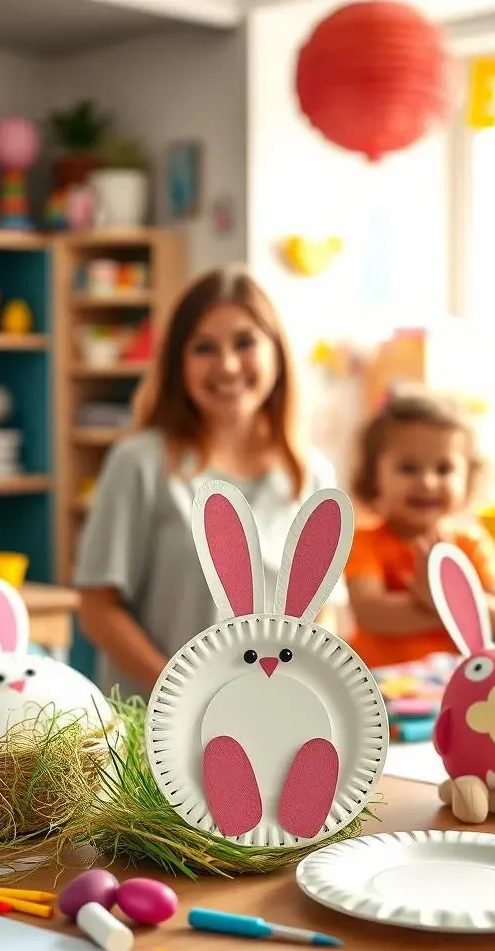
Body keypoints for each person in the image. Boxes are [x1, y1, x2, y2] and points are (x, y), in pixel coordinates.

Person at [74, 265, 340, 696]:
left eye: (245, 342)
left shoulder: (311, 475)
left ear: (277, 352)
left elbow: (325, 611)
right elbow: (97, 610)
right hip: (155, 734)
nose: (228, 365)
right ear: (178, 362)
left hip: (268, 722)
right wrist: (186, 694)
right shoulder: (139, 464)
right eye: (204, 348)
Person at [344, 390, 495, 669]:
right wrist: (453, 605)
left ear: (468, 477)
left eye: (444, 469)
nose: (428, 482)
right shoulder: (362, 541)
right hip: (380, 693)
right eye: (408, 468)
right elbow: (372, 614)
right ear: (373, 475)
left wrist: (437, 600)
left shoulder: (471, 544)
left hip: (457, 690)